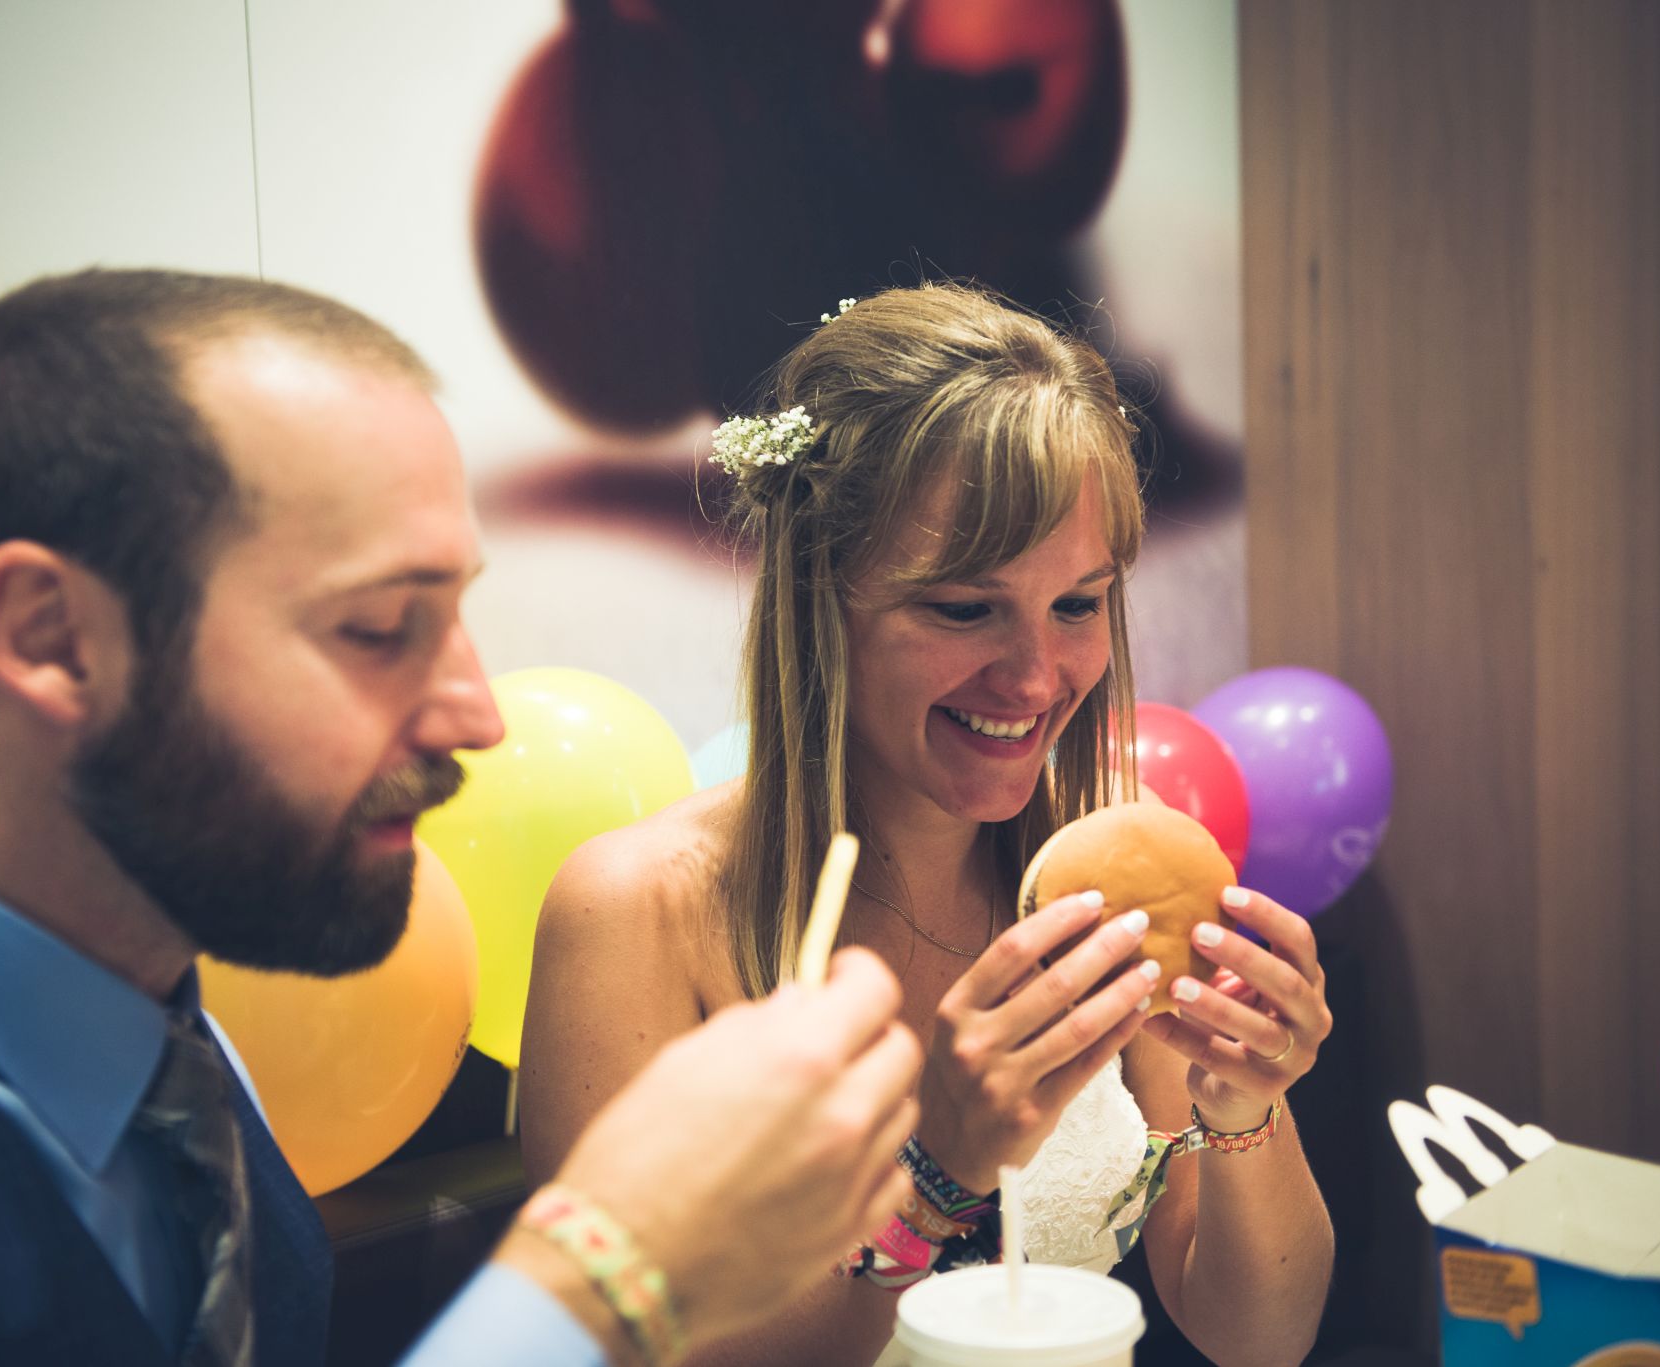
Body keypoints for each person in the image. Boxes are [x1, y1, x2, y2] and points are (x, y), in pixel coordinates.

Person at [0, 268, 924, 1366]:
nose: (476, 716)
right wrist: (608, 1268)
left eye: (455, 616)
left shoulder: (172, 1047)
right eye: (373, 627)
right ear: (52, 636)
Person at [521, 283, 1335, 1366]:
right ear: (819, 597)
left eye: (1078, 603)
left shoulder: (1110, 863)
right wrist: (936, 1178)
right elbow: (612, 1352)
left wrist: (1242, 1104)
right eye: (962, 608)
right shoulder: (635, 910)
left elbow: (1259, 1338)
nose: (1035, 678)